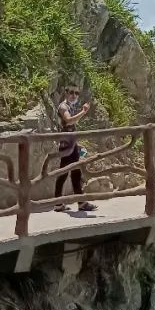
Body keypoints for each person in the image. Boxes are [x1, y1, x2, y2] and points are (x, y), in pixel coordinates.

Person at [55, 84, 96, 215]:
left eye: (76, 93)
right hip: (67, 144)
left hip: (70, 143)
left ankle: (59, 203)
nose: (74, 95)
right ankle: (80, 203)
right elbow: (68, 121)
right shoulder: (63, 107)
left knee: (68, 172)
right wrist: (83, 112)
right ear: (66, 92)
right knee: (71, 172)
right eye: (71, 92)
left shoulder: (70, 107)